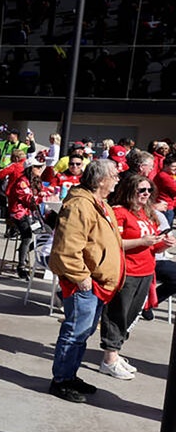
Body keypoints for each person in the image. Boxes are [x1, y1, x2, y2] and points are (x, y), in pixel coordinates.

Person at [48, 158, 124, 403]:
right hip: (85, 283)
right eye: (115, 175)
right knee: (75, 332)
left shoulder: (99, 203)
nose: (117, 180)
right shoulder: (81, 205)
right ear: (101, 180)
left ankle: (70, 375)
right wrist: (81, 277)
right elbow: (66, 248)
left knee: (83, 333)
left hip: (97, 283)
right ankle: (61, 380)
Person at [99, 173, 174, 379]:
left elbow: (153, 246)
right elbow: (114, 243)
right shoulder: (120, 212)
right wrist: (143, 241)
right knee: (117, 314)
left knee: (130, 316)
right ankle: (109, 357)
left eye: (149, 190)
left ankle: (116, 352)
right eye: (142, 190)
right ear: (131, 191)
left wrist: (162, 244)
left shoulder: (146, 213)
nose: (146, 194)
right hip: (127, 271)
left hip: (146, 270)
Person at [7, 156, 47, 278]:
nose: (40, 168)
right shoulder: (22, 182)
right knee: (27, 236)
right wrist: (41, 197)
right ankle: (21, 266)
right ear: (30, 168)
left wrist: (43, 194)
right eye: (37, 166)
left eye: (40, 166)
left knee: (48, 232)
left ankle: (24, 251)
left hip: (29, 213)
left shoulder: (36, 180)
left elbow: (40, 195)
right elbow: (28, 200)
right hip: (18, 213)